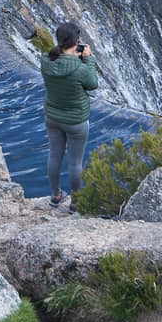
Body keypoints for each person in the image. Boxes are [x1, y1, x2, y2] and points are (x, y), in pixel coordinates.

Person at [41, 21, 98, 210]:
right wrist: (88, 59)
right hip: (76, 121)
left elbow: (59, 61)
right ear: (77, 41)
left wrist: (73, 56)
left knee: (54, 156)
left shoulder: (45, 61)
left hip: (52, 117)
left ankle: (55, 195)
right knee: (75, 163)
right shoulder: (80, 68)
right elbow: (92, 84)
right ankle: (76, 203)